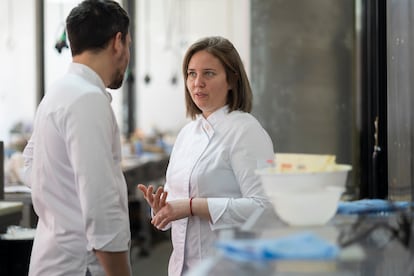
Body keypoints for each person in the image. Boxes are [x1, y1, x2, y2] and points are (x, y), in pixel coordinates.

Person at [138, 36, 275, 276]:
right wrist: (162, 209)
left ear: (232, 79)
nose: (197, 83)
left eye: (209, 74)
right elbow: (175, 208)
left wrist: (191, 207)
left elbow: (265, 208)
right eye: (191, 74)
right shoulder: (187, 134)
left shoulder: (246, 130)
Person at [22, 1, 132, 275]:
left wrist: (60, 200)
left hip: (54, 258)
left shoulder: (58, 93)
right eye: (129, 44)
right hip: (81, 265)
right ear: (117, 42)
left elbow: (29, 164)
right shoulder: (87, 100)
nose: (128, 54)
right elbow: (101, 205)